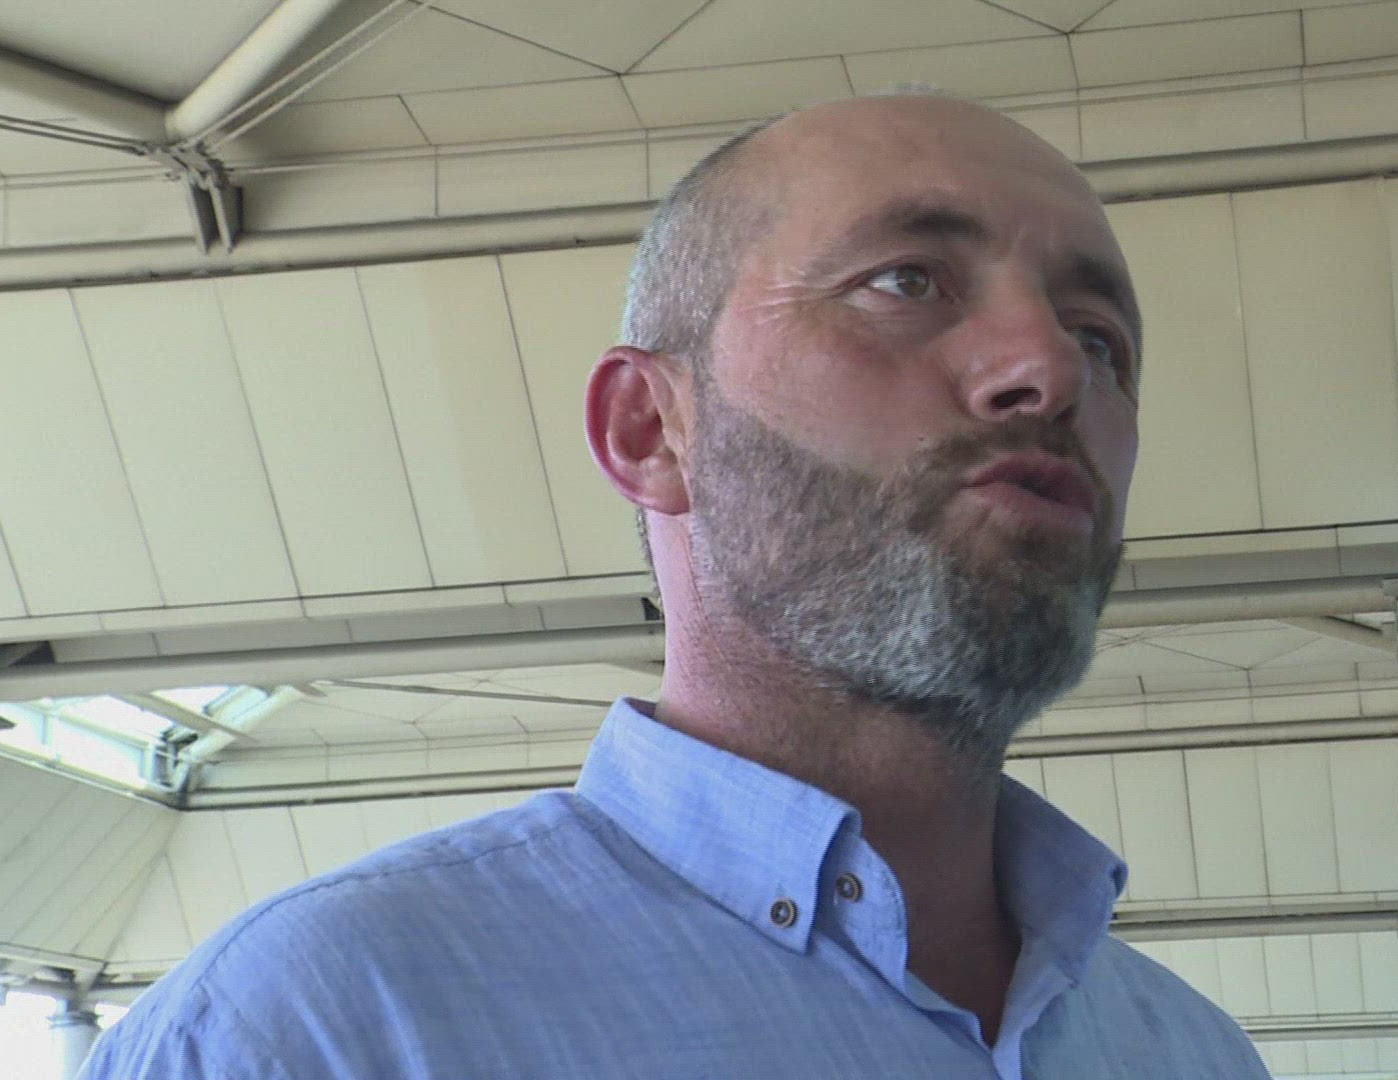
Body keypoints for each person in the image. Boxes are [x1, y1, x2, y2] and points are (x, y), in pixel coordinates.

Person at [80, 92, 1272, 1079]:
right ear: (650, 428)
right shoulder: (320, 1028)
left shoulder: (1193, 1054)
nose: (1050, 367)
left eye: (1101, 338)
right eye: (907, 282)